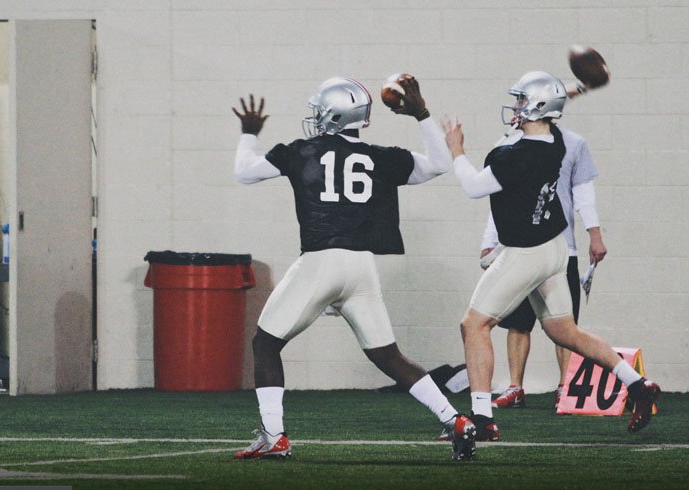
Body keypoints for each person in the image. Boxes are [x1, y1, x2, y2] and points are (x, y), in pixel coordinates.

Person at [231, 76, 476, 461]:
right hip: (362, 265)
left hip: (321, 260)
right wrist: (421, 114)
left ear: (331, 115)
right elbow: (441, 164)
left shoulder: (303, 150)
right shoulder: (381, 156)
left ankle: (273, 435)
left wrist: (249, 133)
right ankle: (455, 419)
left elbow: (244, 171)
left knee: (266, 343)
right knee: (389, 356)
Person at [443, 71, 660, 449]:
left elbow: (473, 187)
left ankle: (482, 419)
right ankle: (638, 385)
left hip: (527, 252)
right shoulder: (554, 141)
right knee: (565, 332)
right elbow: (545, 122)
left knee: (473, 325)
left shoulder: (521, 154)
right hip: (555, 247)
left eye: (522, 101)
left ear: (539, 107)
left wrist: (456, 149)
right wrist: (570, 91)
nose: (515, 107)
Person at [482, 117, 607, 410]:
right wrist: (489, 241)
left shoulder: (571, 144)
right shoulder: (509, 145)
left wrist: (595, 235)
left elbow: (583, 193)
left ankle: (566, 386)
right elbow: (500, 200)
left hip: (559, 246)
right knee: (518, 323)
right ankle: (515, 387)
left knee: (564, 325)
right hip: (517, 246)